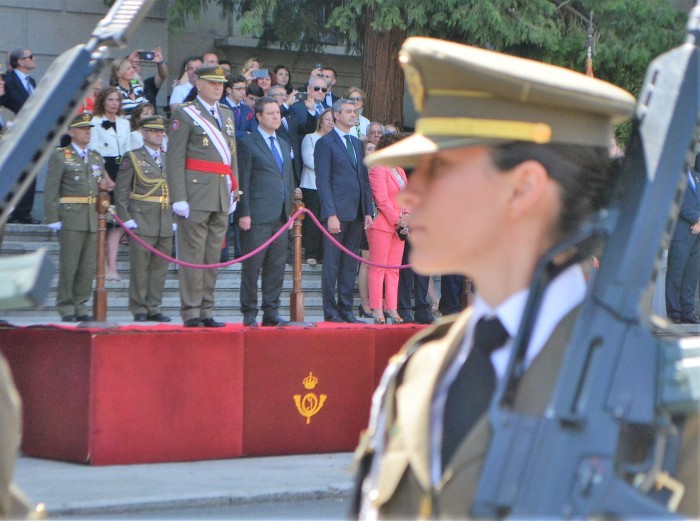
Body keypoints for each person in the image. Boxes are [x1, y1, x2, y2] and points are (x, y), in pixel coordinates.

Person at [354, 37, 699, 519]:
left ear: (523, 188)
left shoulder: (669, 404)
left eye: (439, 167)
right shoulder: (419, 367)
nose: (410, 193)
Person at [166, 66, 237, 328]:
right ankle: (191, 311)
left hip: (220, 191)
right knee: (193, 255)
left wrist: (234, 189)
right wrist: (178, 197)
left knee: (212, 257)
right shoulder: (185, 114)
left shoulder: (227, 115)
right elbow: (174, 158)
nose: (218, 87)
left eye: (221, 83)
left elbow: (231, 156)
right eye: (212, 83)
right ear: (199, 84)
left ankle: (207, 309)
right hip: (194, 193)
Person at [44, 113, 113, 322]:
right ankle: (66, 307)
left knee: (86, 266)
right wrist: (52, 217)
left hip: (92, 217)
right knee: (70, 265)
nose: (87, 132)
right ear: (71, 132)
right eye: (83, 128)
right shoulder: (61, 155)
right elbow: (51, 189)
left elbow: (102, 183)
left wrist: (104, 186)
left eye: (89, 129)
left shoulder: (95, 157)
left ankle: (80, 305)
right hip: (71, 216)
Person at [237, 96, 294, 327]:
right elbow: (244, 181)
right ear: (258, 116)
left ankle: (271, 311)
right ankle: (249, 312)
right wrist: (244, 212)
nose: (276, 116)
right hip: (257, 215)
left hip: (281, 215)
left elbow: (287, 179)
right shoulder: (248, 143)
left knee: (276, 266)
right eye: (270, 113)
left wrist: (290, 212)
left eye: (278, 112)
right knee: (252, 266)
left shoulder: (283, 143)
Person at [315, 99, 373, 323]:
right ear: (336, 115)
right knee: (332, 264)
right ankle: (331, 312)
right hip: (337, 213)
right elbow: (323, 181)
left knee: (350, 264)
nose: (353, 115)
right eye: (348, 111)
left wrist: (368, 211)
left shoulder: (357, 143)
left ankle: (346, 310)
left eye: (355, 111)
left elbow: (363, 179)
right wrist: (330, 214)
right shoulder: (325, 143)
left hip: (357, 212)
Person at [114, 115, 173, 323]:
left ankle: (153, 306)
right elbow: (121, 191)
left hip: (164, 219)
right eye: (154, 131)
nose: (159, 134)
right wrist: (126, 218)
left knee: (159, 268)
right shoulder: (133, 157)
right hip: (142, 217)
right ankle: (138, 307)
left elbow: (174, 188)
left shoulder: (168, 157)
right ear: (144, 133)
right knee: (140, 267)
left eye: (161, 131)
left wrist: (174, 217)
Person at [89, 86, 131, 281]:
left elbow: (128, 150)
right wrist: (105, 177)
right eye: (110, 100)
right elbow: (94, 152)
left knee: (117, 223)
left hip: (121, 168)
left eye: (117, 100)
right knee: (103, 220)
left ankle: (112, 265)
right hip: (103, 168)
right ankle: (102, 264)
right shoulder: (95, 122)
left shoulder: (124, 123)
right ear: (103, 102)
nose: (114, 103)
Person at [367, 133, 408, 325]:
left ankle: (392, 307)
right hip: (383, 224)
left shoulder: (400, 169)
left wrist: (406, 216)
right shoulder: (378, 169)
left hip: (399, 226)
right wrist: (397, 219)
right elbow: (381, 200)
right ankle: (377, 309)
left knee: (393, 270)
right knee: (378, 269)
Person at [3, 48, 39, 224]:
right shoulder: (7, 81)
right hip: (13, 133)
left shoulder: (31, 81)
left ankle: (23, 212)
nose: (34, 59)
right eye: (30, 57)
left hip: (31, 133)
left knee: (30, 171)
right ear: (20, 61)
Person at [665, 154, 700, 324]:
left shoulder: (696, 177)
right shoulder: (677, 177)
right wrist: (697, 220)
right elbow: (677, 202)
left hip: (698, 235)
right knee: (675, 274)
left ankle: (688, 312)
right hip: (681, 233)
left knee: (691, 277)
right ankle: (674, 313)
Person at [300, 108, 334, 267]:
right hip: (312, 186)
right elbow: (308, 160)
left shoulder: (335, 140)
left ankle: (322, 253)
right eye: (327, 119)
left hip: (329, 187)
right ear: (320, 121)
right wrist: (329, 169)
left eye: (333, 119)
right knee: (313, 221)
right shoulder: (310, 138)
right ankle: (311, 253)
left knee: (326, 220)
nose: (330, 122)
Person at [222, 73, 256, 140]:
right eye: (239, 89)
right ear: (229, 90)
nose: (243, 92)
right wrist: (246, 134)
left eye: (244, 89)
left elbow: (254, 129)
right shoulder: (220, 107)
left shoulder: (247, 109)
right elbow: (224, 131)